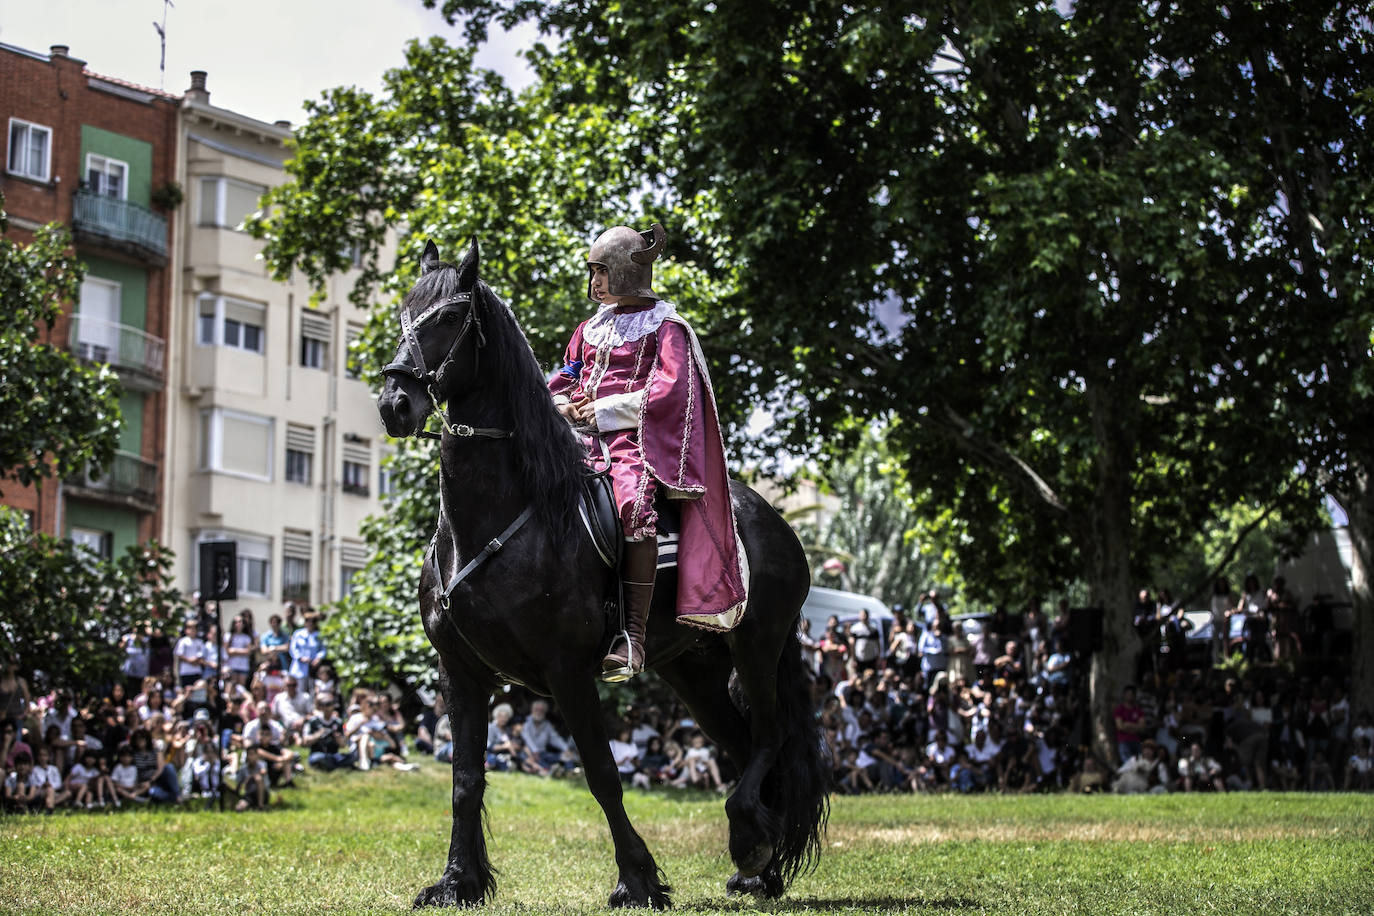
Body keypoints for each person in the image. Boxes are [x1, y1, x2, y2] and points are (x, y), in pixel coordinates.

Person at [548, 223, 748, 681]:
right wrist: (557, 400)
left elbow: (673, 393)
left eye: (601, 272)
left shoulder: (668, 328)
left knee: (632, 506)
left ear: (624, 272)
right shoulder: (588, 329)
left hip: (631, 438)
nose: (594, 282)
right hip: (574, 435)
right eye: (592, 272)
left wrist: (601, 409)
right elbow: (567, 374)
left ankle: (632, 637)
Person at [303, 694, 356, 771]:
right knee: (318, 758)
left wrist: (337, 738)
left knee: (352, 757)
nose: (328, 708)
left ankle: (331, 765)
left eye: (330, 704)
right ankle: (335, 765)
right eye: (325, 705)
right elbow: (305, 742)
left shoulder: (338, 722)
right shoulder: (313, 721)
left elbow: (343, 745)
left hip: (333, 754)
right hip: (318, 753)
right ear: (321, 707)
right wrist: (319, 734)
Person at [288, 611, 327, 693]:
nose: (310, 623)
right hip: (299, 668)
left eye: (313, 621)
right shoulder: (298, 634)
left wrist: (318, 658)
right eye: (308, 621)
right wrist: (300, 657)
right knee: (299, 691)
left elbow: (323, 649)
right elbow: (293, 648)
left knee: (313, 691)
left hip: (313, 668)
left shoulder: (319, 635)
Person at [848, 609, 882, 674]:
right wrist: (853, 659)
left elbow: (878, 644)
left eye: (865, 615)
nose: (864, 617)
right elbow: (851, 644)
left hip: (872, 659)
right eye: (862, 615)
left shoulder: (873, 629)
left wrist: (878, 658)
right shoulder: (855, 629)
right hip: (859, 659)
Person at [173, 620, 205, 688]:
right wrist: (189, 661)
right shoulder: (182, 641)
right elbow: (179, 654)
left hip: (196, 671)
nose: (192, 630)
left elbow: (202, 654)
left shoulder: (200, 642)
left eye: (194, 628)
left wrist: (195, 659)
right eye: (190, 628)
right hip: (185, 672)